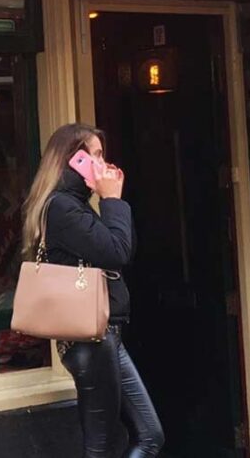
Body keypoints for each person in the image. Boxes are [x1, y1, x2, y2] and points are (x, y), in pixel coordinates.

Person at [21, 123, 163, 457]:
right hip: (90, 343)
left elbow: (121, 249)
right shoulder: (61, 208)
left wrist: (111, 201)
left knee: (150, 436)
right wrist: (112, 199)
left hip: (105, 336)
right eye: (95, 155)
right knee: (100, 447)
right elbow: (117, 252)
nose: (103, 163)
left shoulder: (77, 206)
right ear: (74, 160)